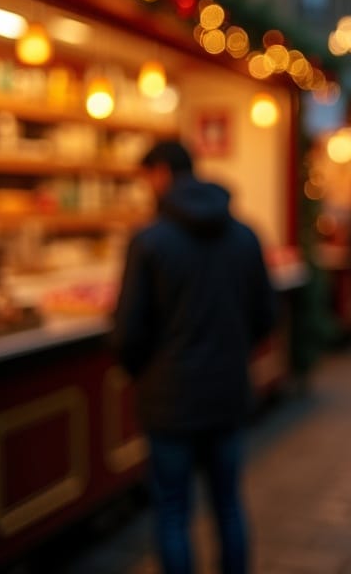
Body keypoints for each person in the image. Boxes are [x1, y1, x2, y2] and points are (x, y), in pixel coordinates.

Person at [112, 140, 276, 574]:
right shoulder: (245, 235)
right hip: (226, 392)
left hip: (168, 401)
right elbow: (266, 316)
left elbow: (128, 331)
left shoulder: (149, 241)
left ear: (161, 174)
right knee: (227, 504)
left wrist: (143, 373)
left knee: (172, 512)